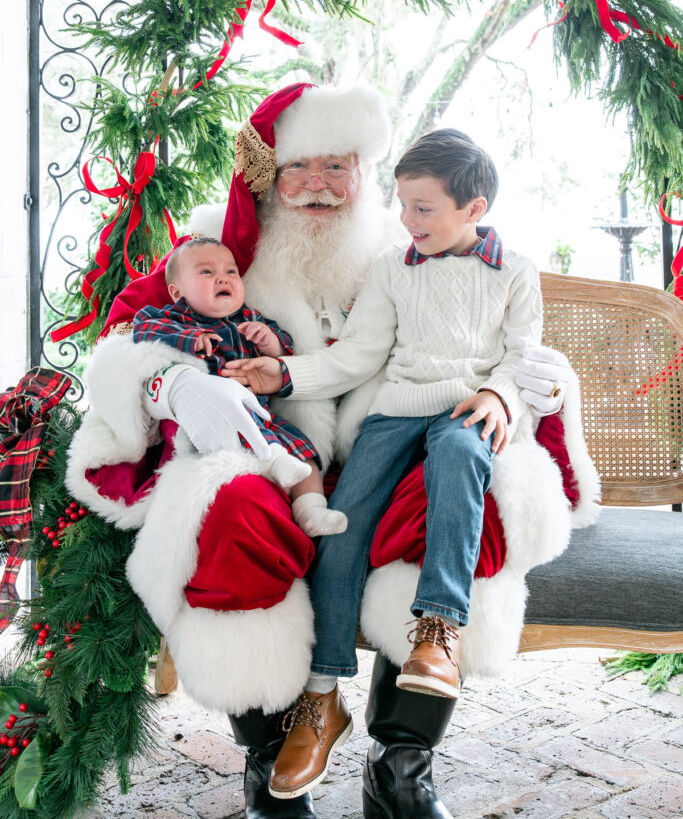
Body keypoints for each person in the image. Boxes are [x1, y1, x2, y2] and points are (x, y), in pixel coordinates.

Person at [65, 83, 599, 819]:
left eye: (337, 166)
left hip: (398, 437)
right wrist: (171, 387)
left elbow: (502, 345)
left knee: (465, 496)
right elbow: (130, 340)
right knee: (231, 514)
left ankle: (402, 766)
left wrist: (526, 385)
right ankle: (268, 762)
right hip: (260, 453)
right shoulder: (218, 248)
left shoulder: (401, 244)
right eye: (298, 168)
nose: (316, 185)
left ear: (364, 172)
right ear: (267, 176)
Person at [226, 128, 544, 799]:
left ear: (473, 209)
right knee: (343, 526)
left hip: (469, 409)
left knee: (459, 462)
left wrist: (500, 394)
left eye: (423, 208)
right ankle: (321, 696)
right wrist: (281, 373)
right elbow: (357, 355)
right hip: (395, 411)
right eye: (401, 206)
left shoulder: (513, 270)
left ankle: (438, 630)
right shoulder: (394, 269)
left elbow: (524, 355)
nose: (407, 221)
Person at [131, 237, 347, 536]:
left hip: (261, 414)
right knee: (246, 446)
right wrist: (190, 339)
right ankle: (274, 463)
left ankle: (311, 510)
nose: (222, 277)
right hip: (212, 420)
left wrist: (269, 340)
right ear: (177, 292)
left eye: (231, 272)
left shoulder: (250, 318)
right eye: (206, 272)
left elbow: (285, 351)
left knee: (305, 455)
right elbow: (145, 329)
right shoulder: (175, 318)